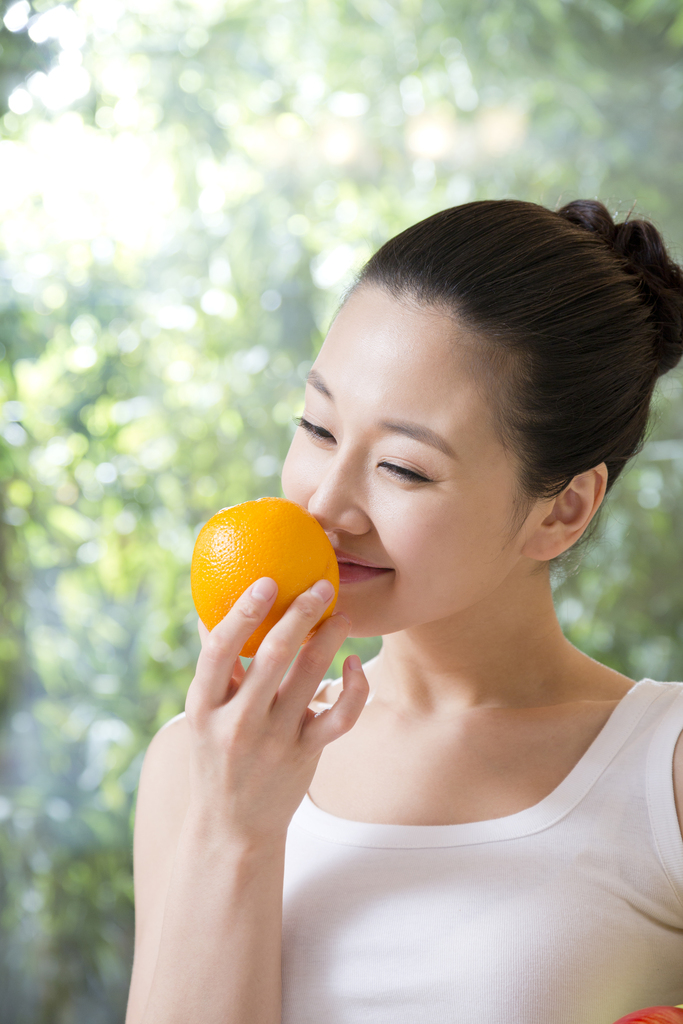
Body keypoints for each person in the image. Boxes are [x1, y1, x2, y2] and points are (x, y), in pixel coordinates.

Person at [125, 199, 683, 1024]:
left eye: (403, 468)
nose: (326, 501)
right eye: (316, 427)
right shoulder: (203, 758)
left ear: (562, 509)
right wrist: (235, 828)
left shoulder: (659, 773)